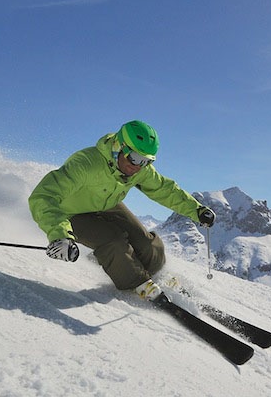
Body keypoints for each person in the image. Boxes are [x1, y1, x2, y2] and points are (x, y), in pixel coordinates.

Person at [28, 120, 215, 293]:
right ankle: (136, 285)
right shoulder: (86, 163)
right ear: (119, 146)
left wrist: (196, 210)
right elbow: (43, 196)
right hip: (72, 213)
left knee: (147, 244)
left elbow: (164, 189)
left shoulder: (139, 169)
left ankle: (154, 276)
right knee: (114, 243)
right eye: (135, 157)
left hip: (106, 205)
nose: (138, 166)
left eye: (146, 161)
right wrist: (59, 235)